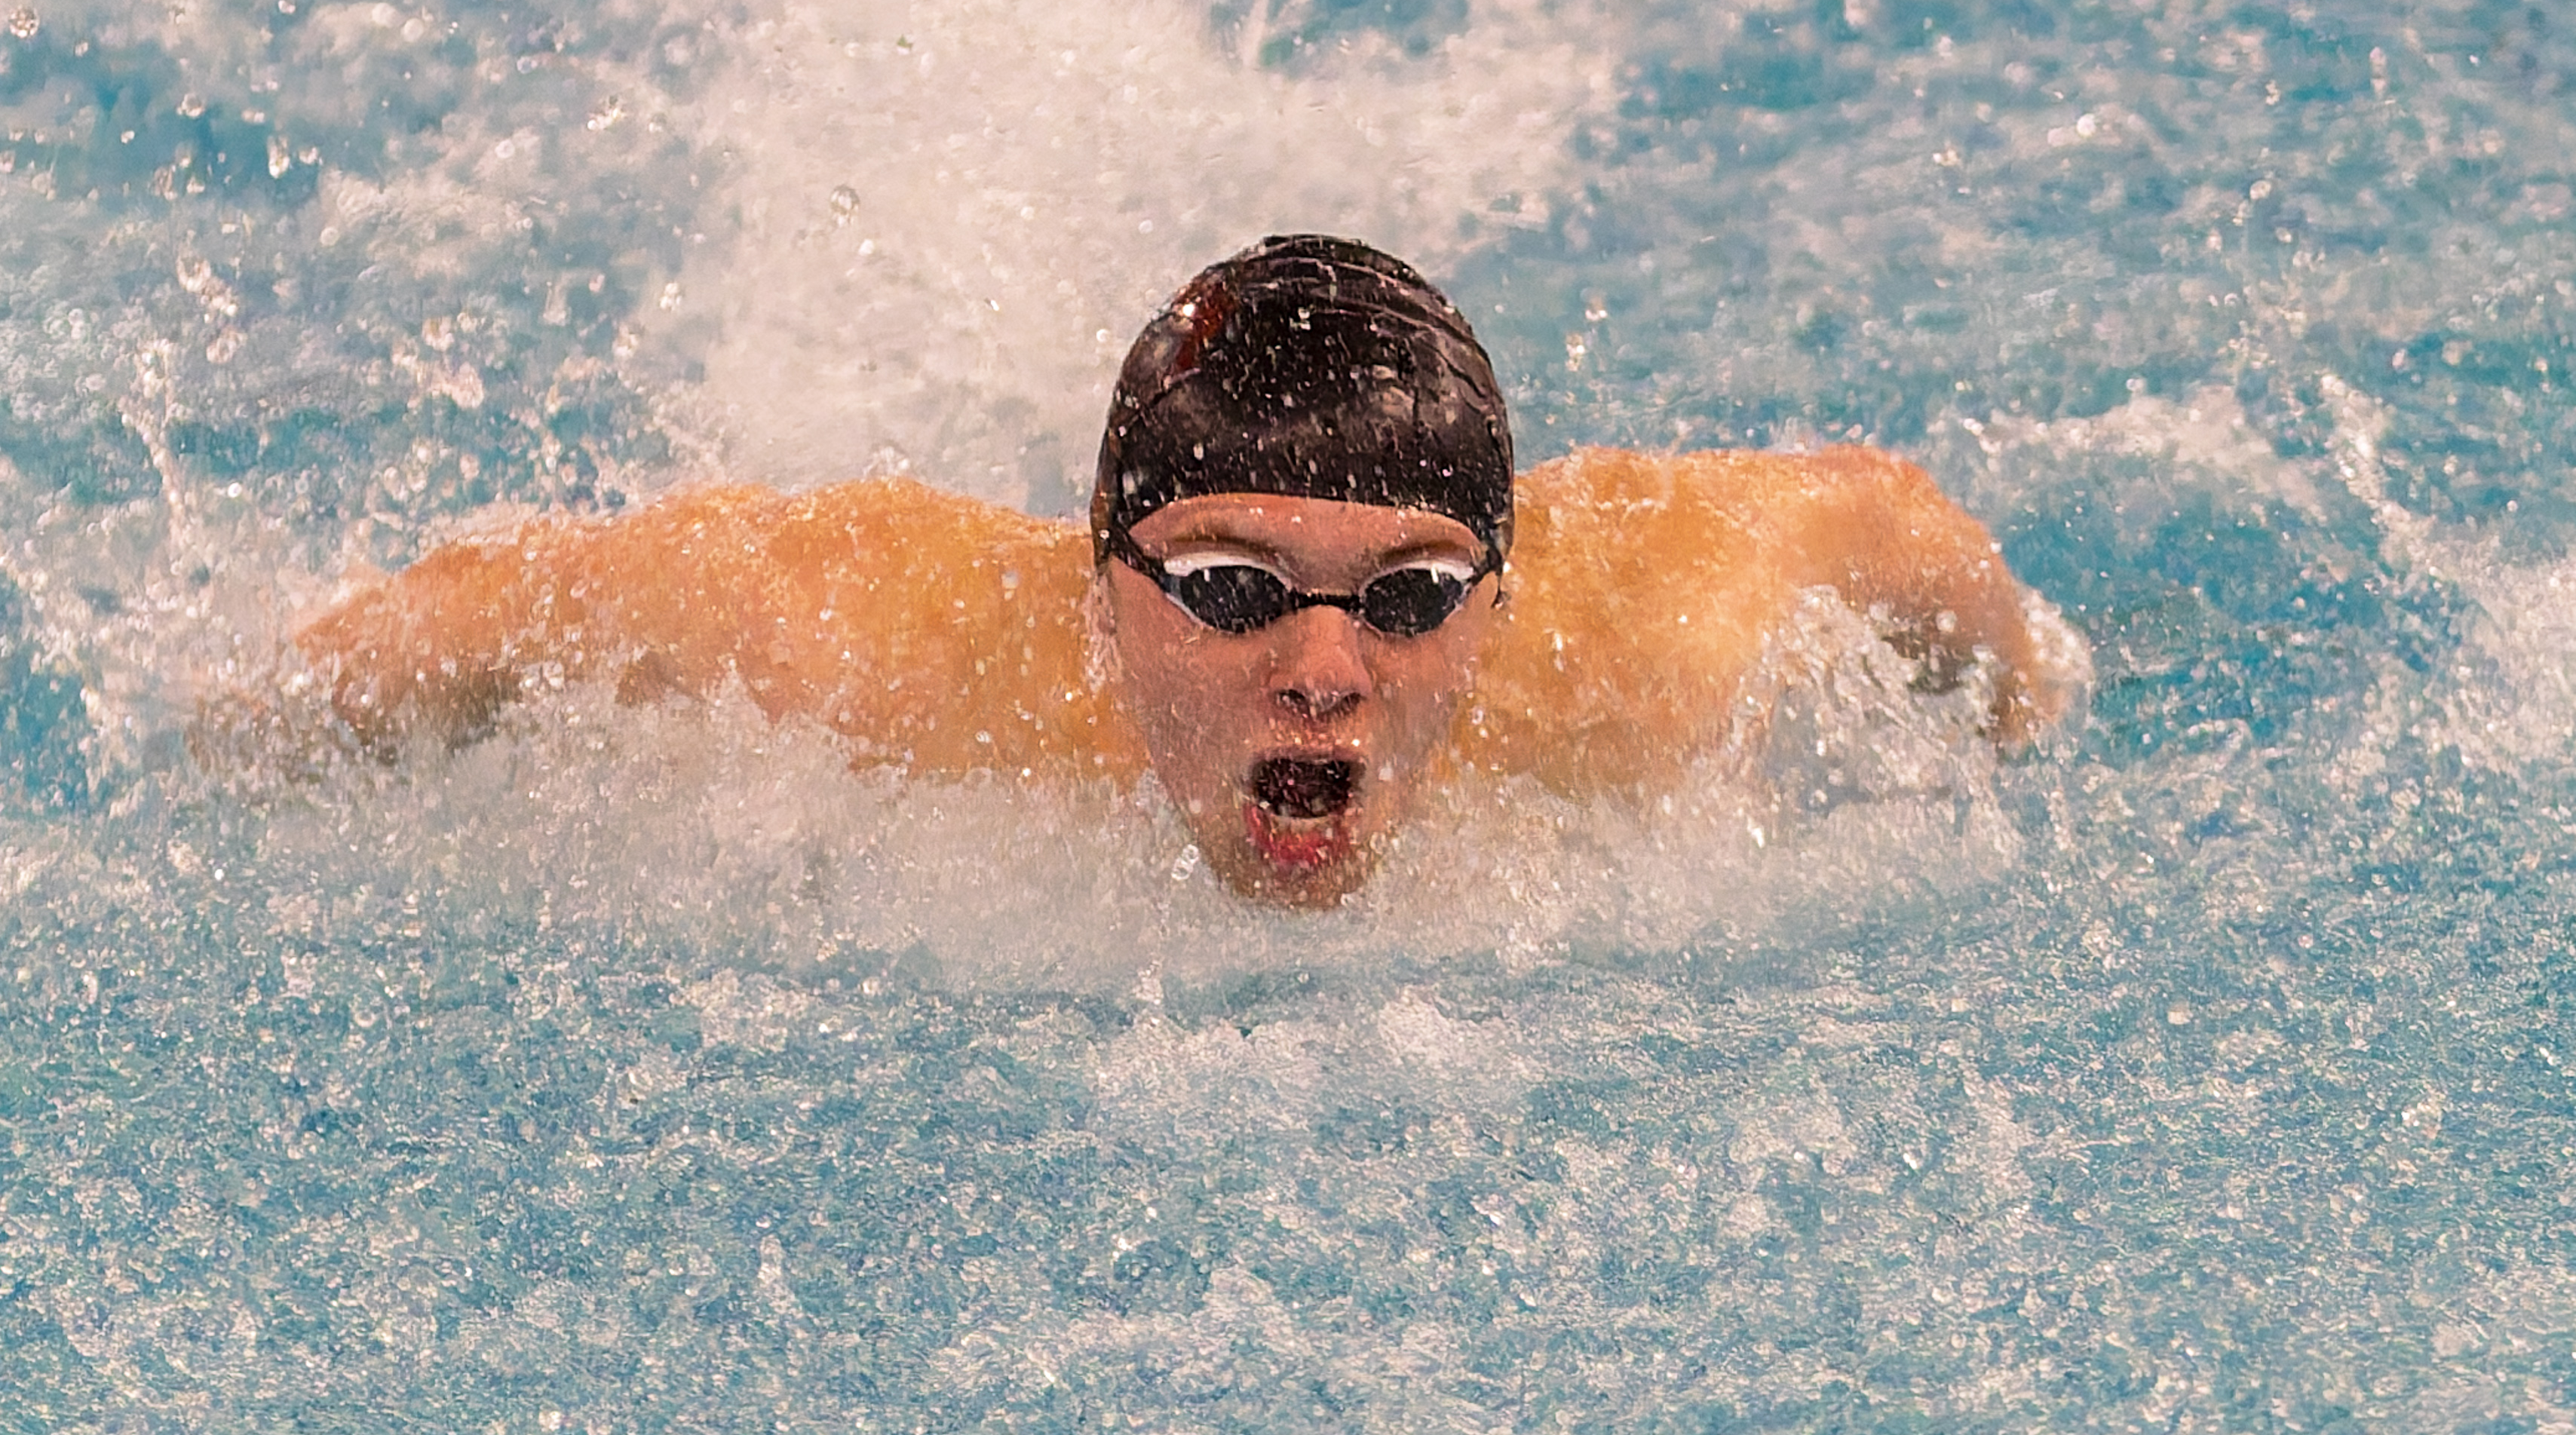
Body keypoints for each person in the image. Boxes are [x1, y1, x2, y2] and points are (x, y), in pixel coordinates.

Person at [287, 236, 2068, 906]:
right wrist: (256, 749)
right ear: (1097, 595)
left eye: (1412, 594)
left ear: (1502, 606)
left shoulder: (1648, 657)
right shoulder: (863, 643)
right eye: (1228, 588)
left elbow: (1882, 517)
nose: (1323, 668)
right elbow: (461, 624)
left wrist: (2021, 714)